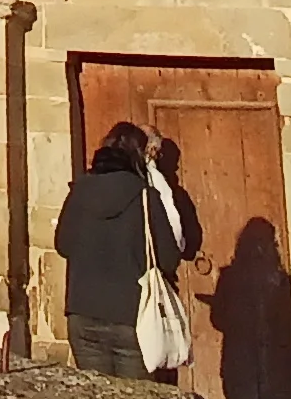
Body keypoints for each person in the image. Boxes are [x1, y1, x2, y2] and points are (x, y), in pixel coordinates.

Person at [52, 120, 198, 378]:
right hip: (133, 317)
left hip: (83, 312)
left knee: (96, 397)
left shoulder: (79, 191)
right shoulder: (146, 197)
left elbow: (63, 245)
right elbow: (168, 259)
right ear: (139, 155)